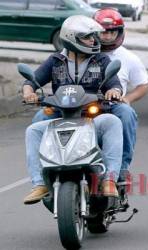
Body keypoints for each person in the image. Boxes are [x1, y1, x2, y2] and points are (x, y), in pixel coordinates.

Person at [23, 15, 123, 204]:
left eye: (93, 36)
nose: (93, 40)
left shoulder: (100, 60)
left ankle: (110, 178)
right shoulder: (55, 60)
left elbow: (114, 84)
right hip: (61, 115)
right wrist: (29, 92)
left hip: (93, 117)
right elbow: (31, 81)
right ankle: (40, 183)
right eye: (87, 37)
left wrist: (113, 91)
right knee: (33, 130)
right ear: (71, 38)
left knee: (114, 121)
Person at [94, 8, 148, 182]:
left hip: (112, 105)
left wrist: (127, 98)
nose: (107, 36)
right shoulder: (82, 52)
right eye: (103, 32)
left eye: (112, 32)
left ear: (119, 32)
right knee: (45, 116)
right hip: (79, 104)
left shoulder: (129, 58)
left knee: (126, 113)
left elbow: (143, 85)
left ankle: (122, 168)